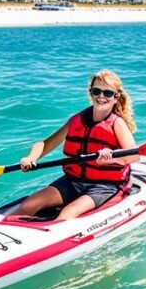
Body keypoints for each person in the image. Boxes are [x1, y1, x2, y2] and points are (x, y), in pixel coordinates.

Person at [12, 70, 139, 221]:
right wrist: (30, 158)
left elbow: (133, 155)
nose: (101, 96)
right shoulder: (76, 120)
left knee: (66, 214)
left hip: (104, 186)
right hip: (72, 181)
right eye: (96, 91)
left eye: (108, 93)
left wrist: (111, 158)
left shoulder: (117, 124)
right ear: (90, 93)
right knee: (28, 206)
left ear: (116, 97)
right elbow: (45, 143)